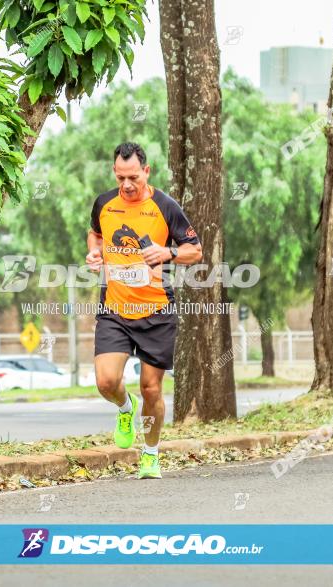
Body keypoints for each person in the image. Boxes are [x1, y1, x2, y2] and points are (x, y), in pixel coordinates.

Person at [85, 142, 203, 478]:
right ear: (114, 173)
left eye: (133, 177)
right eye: (121, 177)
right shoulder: (104, 204)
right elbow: (95, 235)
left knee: (151, 389)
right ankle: (124, 409)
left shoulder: (165, 207)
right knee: (107, 381)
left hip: (157, 312)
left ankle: (150, 453)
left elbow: (194, 250)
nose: (127, 185)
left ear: (146, 171)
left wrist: (168, 254)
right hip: (115, 309)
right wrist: (95, 254)